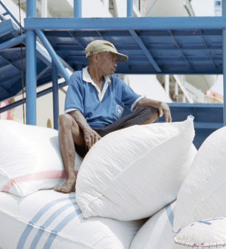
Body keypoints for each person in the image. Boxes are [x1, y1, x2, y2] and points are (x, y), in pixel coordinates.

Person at [55, 40, 172, 193]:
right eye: (112, 59)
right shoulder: (78, 78)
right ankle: (71, 179)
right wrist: (87, 129)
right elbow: (73, 110)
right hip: (86, 136)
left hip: (110, 136)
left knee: (152, 110)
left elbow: (139, 100)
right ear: (96, 58)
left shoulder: (116, 83)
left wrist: (159, 103)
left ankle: (121, 151)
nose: (115, 64)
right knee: (64, 119)